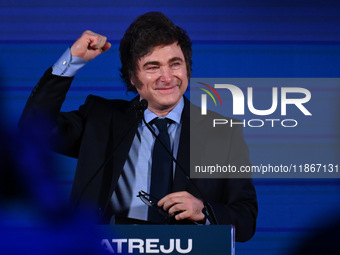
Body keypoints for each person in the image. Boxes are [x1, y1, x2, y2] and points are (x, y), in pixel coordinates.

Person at [19, 12, 257, 242]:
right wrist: (72, 61)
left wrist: (204, 211)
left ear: (187, 68)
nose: (167, 77)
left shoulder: (222, 132)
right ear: (132, 77)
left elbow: (246, 221)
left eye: (175, 64)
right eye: (153, 67)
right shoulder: (101, 119)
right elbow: (34, 128)